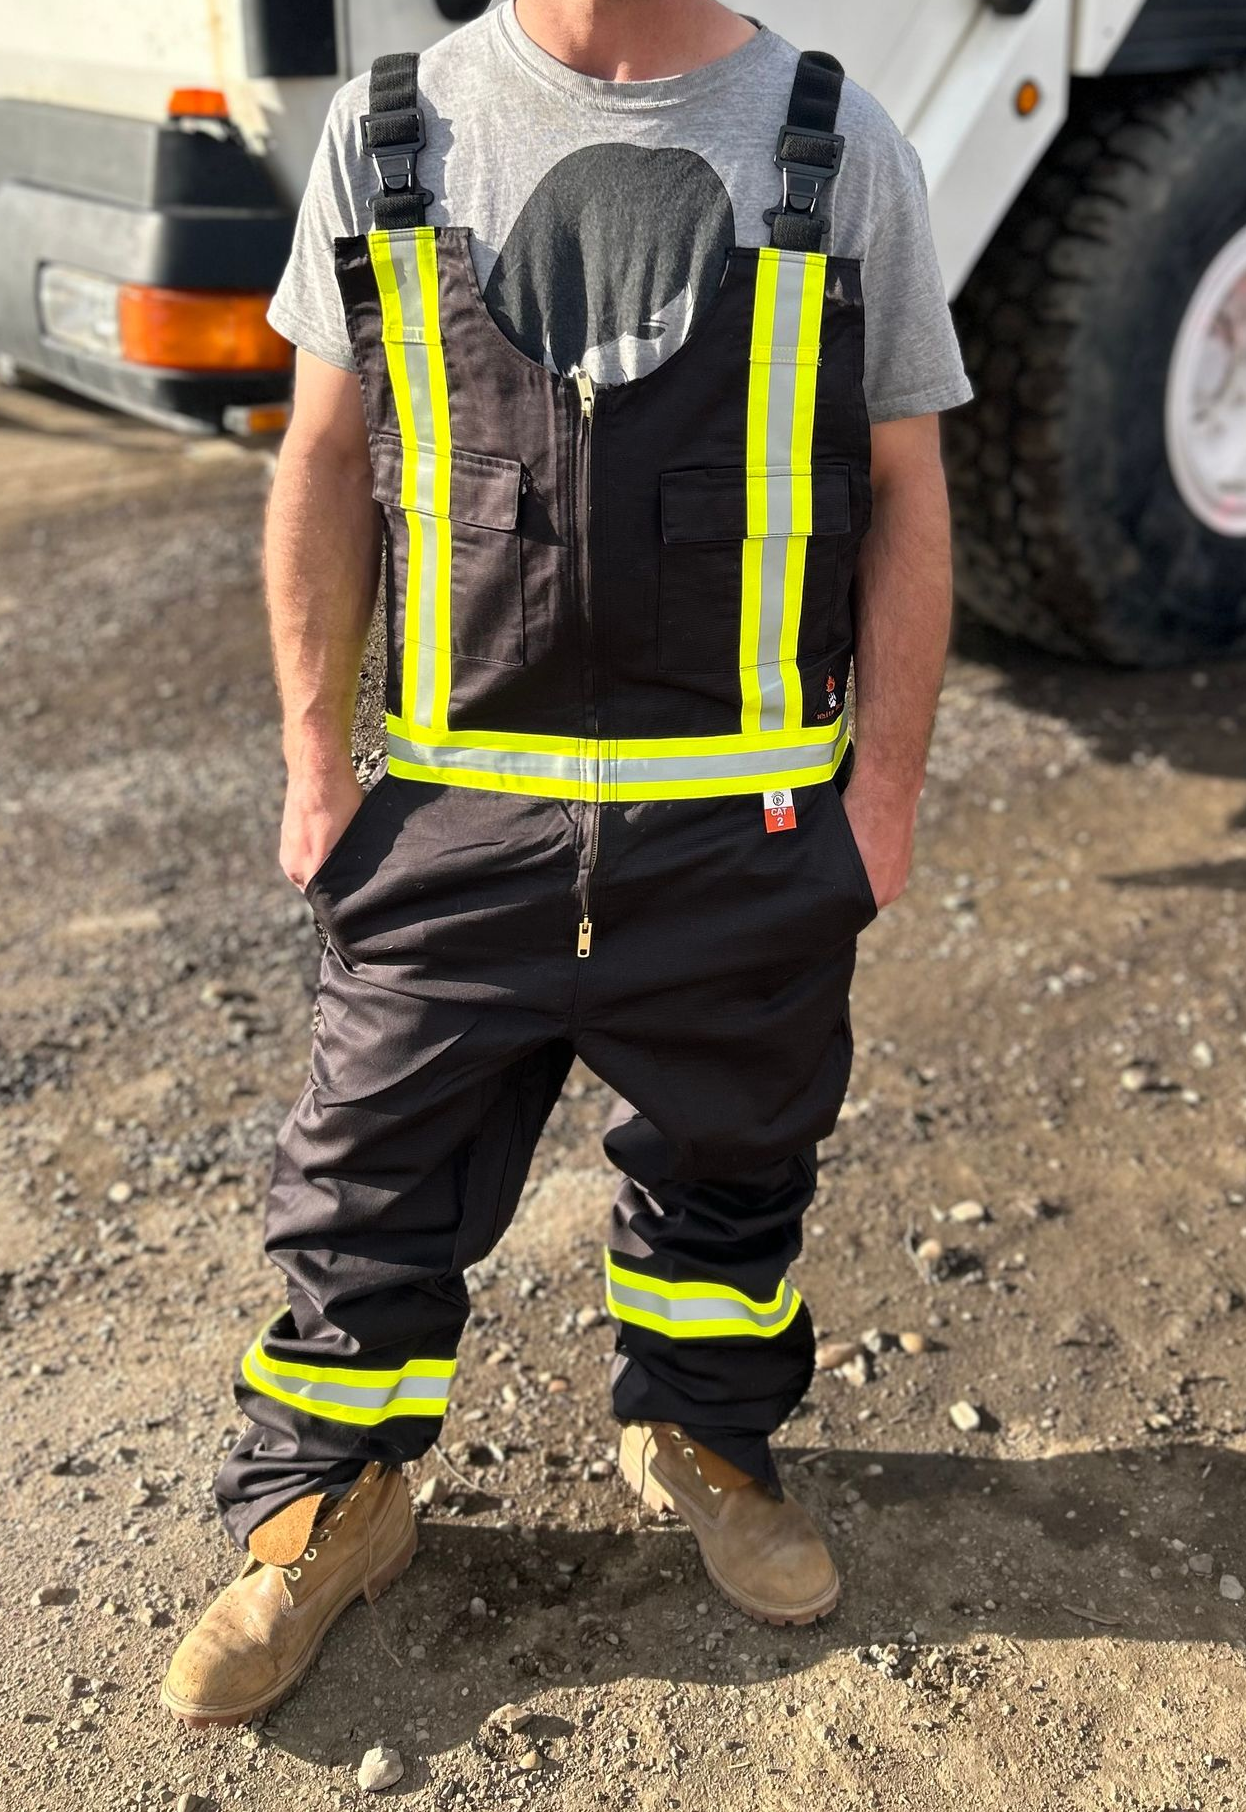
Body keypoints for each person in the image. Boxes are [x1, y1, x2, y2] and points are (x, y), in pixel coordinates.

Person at [161, 0, 970, 1727]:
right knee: (364, 1182)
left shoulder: (840, 141)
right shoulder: (392, 130)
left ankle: (701, 1434)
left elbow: (906, 486)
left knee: (734, 1165)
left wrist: (879, 796)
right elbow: (320, 456)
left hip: (741, 828)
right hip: (450, 820)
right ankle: (326, 1507)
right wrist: (317, 764)